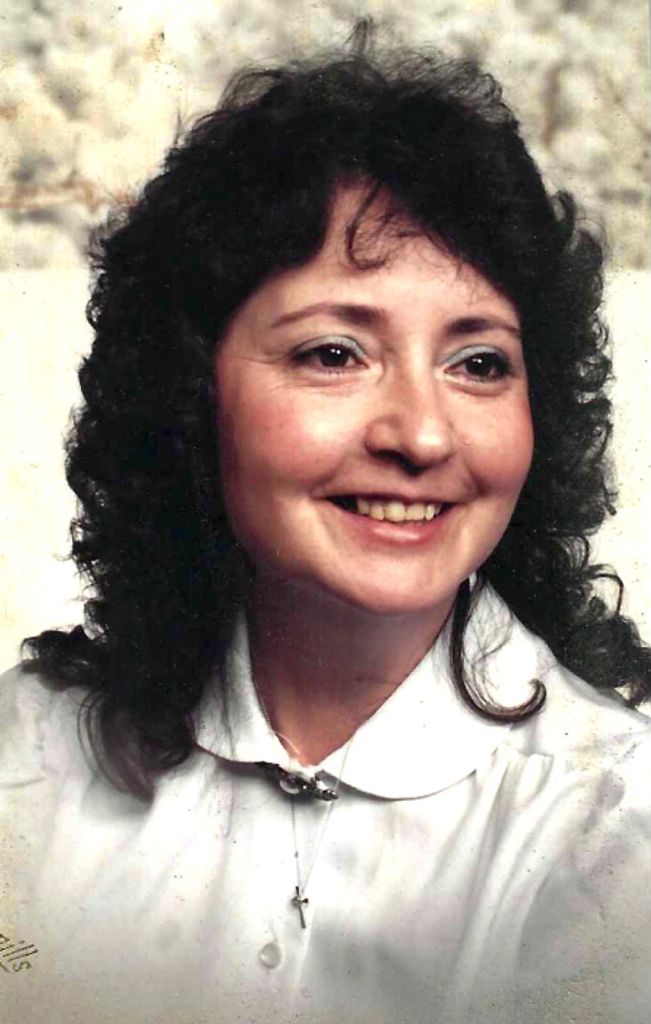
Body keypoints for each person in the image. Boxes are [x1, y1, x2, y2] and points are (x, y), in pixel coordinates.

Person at [1, 25, 650, 1024]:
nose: (421, 434)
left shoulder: (617, 828)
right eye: (334, 354)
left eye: (479, 363)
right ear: (189, 392)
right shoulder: (28, 756)